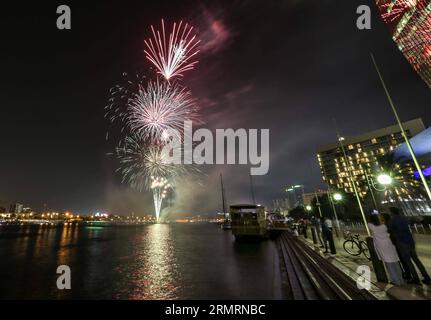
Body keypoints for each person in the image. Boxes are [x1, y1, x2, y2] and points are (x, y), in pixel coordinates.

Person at [388, 207, 431, 285]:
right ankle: (427, 277)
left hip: (402, 243)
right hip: (410, 241)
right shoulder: (403, 218)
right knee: (417, 260)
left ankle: (415, 278)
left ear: (391, 212)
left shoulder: (392, 221)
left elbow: (390, 231)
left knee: (408, 262)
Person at [368, 213, 404, 286]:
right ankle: (401, 280)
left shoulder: (373, 227)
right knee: (396, 264)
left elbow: (369, 223)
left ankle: (396, 281)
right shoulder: (384, 226)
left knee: (389, 265)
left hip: (383, 248)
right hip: (390, 246)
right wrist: (380, 220)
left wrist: (373, 219)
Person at [381, 212, 410, 281]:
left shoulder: (387, 224)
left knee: (400, 260)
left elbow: (389, 234)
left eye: (381, 216)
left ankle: (406, 275)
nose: (380, 218)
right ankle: (405, 274)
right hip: (395, 244)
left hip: (395, 244)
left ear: (384, 217)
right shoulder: (388, 223)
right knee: (400, 260)